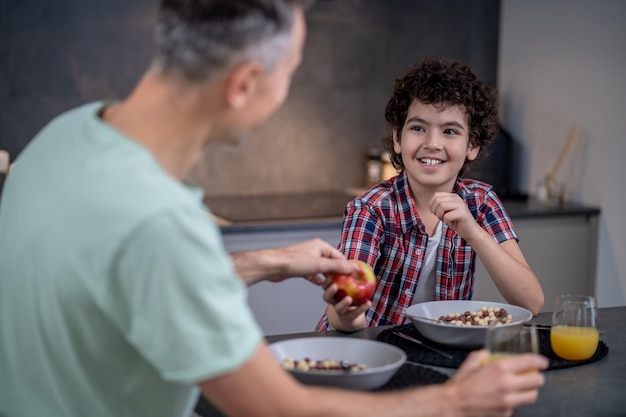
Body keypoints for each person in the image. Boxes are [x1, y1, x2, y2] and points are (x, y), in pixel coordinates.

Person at [0, 2, 548, 417]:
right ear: (244, 84)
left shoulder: (63, 136)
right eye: (290, 70)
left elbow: (122, 276)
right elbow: (277, 407)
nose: (288, 90)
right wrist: (452, 401)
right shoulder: (162, 223)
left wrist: (265, 262)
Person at [317, 57, 544, 332]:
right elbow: (341, 310)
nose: (432, 143)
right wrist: (349, 313)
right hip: (365, 348)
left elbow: (531, 302)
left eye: (450, 131)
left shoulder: (481, 202)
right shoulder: (370, 209)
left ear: (472, 145)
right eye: (417, 128)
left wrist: (473, 232)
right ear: (398, 139)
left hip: (436, 353)